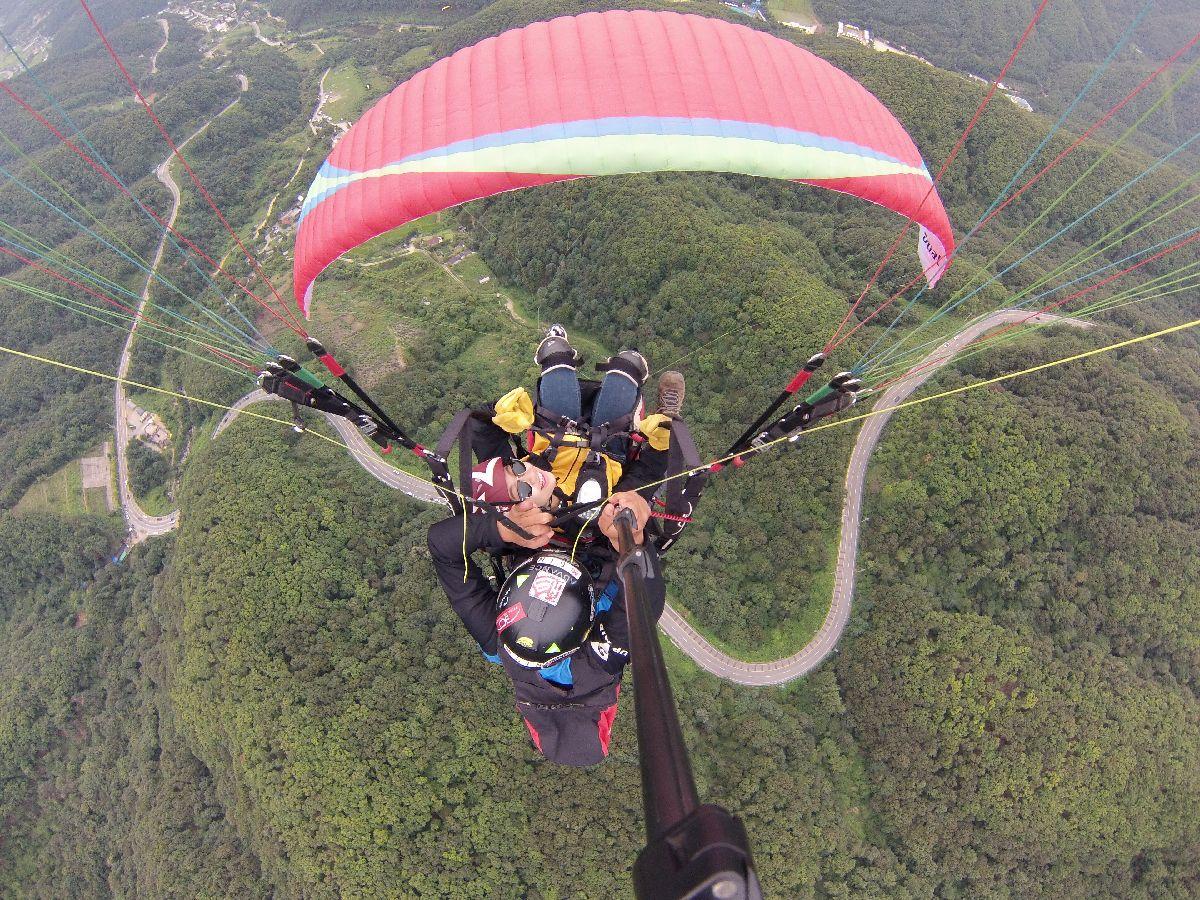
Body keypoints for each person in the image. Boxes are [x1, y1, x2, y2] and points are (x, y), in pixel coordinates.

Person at [427, 327, 685, 765]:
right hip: (605, 534)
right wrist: (631, 535)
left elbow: (443, 546)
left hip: (538, 510)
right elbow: (645, 596)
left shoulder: (500, 640)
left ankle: (562, 363)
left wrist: (502, 529)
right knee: (635, 468)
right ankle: (657, 417)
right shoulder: (604, 656)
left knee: (556, 433)